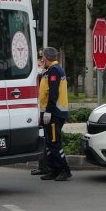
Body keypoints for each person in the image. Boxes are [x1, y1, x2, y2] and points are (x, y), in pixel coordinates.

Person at [38, 47, 71, 181]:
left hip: (54, 113)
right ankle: (54, 170)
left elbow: (53, 93)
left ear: (46, 57)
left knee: (54, 142)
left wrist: (48, 112)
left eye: (42, 57)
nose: (41, 60)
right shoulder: (51, 70)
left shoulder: (55, 71)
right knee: (50, 143)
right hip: (52, 112)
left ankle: (64, 170)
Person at [30, 50, 51, 176]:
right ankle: (42, 166)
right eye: (39, 58)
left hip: (44, 110)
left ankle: (46, 167)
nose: (40, 61)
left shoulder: (45, 72)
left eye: (41, 58)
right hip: (37, 109)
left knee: (46, 139)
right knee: (41, 138)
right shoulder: (37, 72)